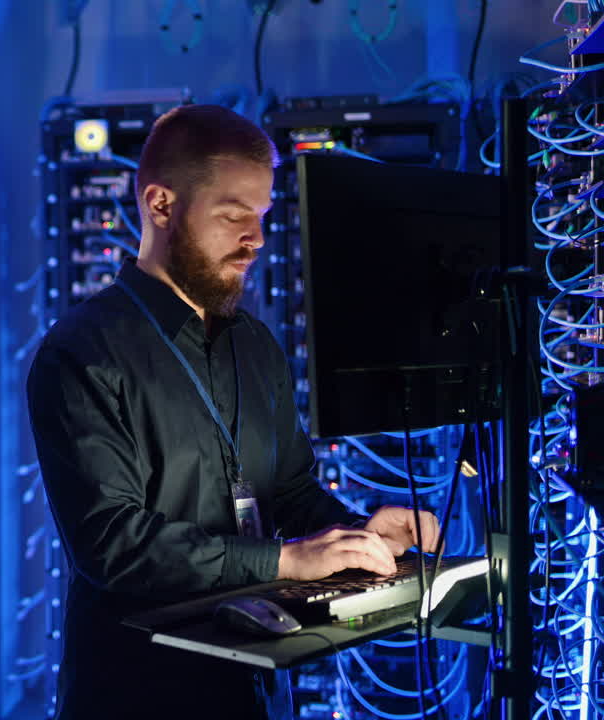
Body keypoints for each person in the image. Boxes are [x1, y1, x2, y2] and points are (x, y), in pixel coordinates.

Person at [25, 104, 441, 719]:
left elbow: (291, 490)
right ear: (160, 205)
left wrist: (358, 535)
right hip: (140, 691)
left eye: (263, 216)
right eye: (233, 215)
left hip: (256, 685)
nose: (256, 238)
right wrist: (286, 560)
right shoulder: (81, 354)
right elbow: (112, 544)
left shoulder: (255, 343)